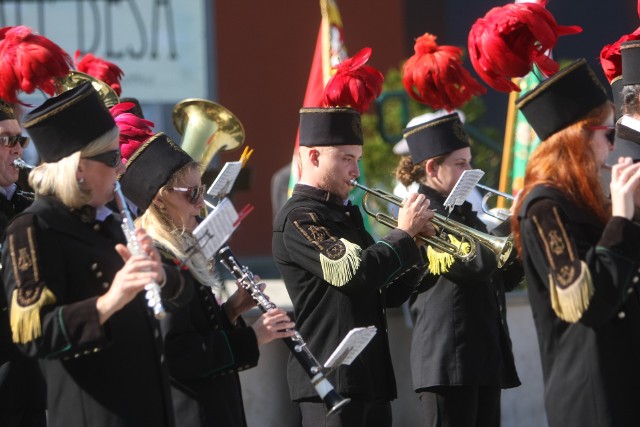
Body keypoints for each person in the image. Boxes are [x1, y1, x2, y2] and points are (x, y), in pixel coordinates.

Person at [1, 82, 192, 427]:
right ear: (79, 169)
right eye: (112, 158)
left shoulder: (114, 221)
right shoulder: (33, 228)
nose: (121, 169)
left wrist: (160, 274)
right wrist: (108, 301)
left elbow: (183, 294)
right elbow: (33, 335)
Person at [118, 132, 296, 427]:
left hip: (212, 406)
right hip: (189, 412)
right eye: (192, 194)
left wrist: (232, 310)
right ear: (161, 200)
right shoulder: (158, 260)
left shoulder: (180, 251)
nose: (201, 205)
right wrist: (252, 337)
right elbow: (178, 354)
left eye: (202, 191)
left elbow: (197, 328)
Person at [272, 106, 435, 427]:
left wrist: (418, 247)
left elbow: (387, 294)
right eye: (347, 158)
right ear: (315, 157)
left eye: (357, 160)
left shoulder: (346, 215)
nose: (356, 171)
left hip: (369, 379)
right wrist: (403, 234)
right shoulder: (300, 217)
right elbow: (355, 273)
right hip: (329, 382)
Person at [512, 58, 640, 427]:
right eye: (609, 135)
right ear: (577, 138)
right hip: (591, 395)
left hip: (622, 383)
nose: (614, 149)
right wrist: (620, 219)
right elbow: (584, 301)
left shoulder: (584, 200)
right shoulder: (544, 206)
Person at [395, 112, 521, 427]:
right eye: (460, 164)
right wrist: (512, 222)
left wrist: (520, 241)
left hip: (482, 357)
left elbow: (501, 276)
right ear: (432, 168)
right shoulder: (424, 214)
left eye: (469, 161)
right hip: (448, 361)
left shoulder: (463, 211)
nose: (471, 170)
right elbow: (472, 265)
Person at [0, 100, 46, 427]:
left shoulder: (31, 203)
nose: (18, 148)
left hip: (33, 376)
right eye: (6, 140)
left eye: (21, 140)